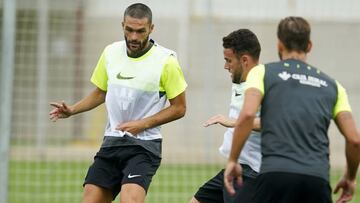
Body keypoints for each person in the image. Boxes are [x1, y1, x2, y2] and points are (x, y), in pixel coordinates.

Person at [49, 3, 187, 203]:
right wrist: (72, 110)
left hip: (144, 146)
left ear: (151, 28)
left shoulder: (166, 61)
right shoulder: (111, 52)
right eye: (129, 30)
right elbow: (100, 92)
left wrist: (142, 124)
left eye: (140, 31)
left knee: (130, 199)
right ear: (122, 25)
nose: (133, 37)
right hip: (112, 142)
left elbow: (180, 108)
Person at [224, 16, 360, 203]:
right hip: (317, 180)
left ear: (279, 45)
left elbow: (247, 115)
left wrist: (233, 159)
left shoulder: (262, 73)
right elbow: (355, 140)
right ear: (309, 46)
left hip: (275, 175)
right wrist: (350, 177)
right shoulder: (334, 86)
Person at [189, 29, 262, 203]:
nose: (225, 66)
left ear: (244, 60)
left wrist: (235, 122)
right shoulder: (241, 80)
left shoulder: (264, 83)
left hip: (253, 173)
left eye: (228, 61)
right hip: (236, 167)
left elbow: (273, 122)